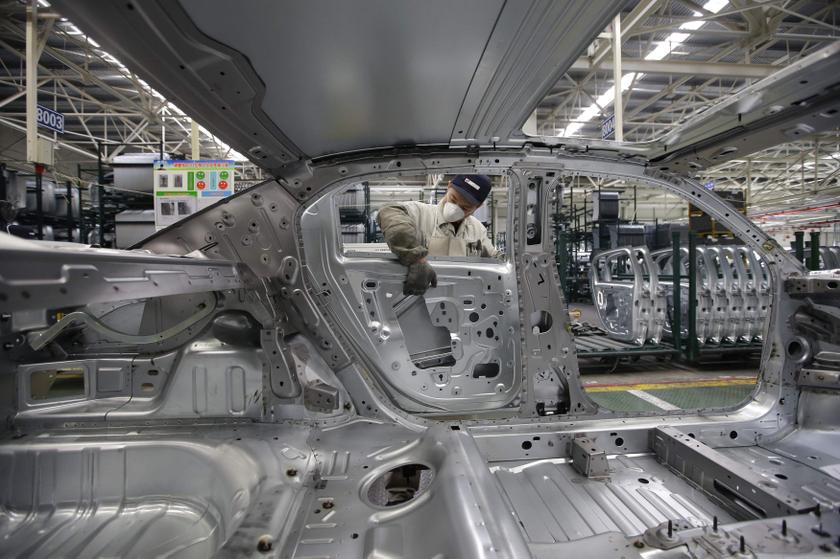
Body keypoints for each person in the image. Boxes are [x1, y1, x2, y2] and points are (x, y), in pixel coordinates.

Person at [377, 174, 499, 295]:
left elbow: (496, 260)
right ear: (449, 185)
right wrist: (416, 258)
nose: (455, 209)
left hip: (461, 302)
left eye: (465, 208)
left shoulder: (477, 230)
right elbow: (388, 212)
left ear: (478, 207)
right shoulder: (421, 214)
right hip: (417, 301)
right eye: (453, 199)